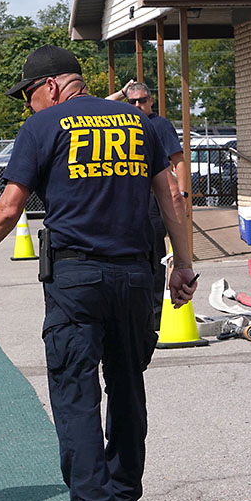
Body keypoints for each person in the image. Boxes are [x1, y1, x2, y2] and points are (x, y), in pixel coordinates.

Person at [0, 46, 197, 501]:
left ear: (54, 86)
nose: (29, 106)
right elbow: (171, 196)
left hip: (77, 279)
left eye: (30, 95)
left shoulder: (43, 129)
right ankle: (126, 498)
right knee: (127, 384)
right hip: (136, 276)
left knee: (75, 393)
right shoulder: (139, 123)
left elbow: (9, 207)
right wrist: (184, 264)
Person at [107, 80, 189, 321]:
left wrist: (182, 196)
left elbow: (179, 160)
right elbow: (95, 106)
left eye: (142, 100)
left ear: (150, 101)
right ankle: (131, 310)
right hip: (126, 201)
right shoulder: (120, 123)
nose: (137, 105)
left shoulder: (159, 125)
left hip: (154, 200)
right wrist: (121, 92)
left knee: (154, 255)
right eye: (132, 101)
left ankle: (155, 312)